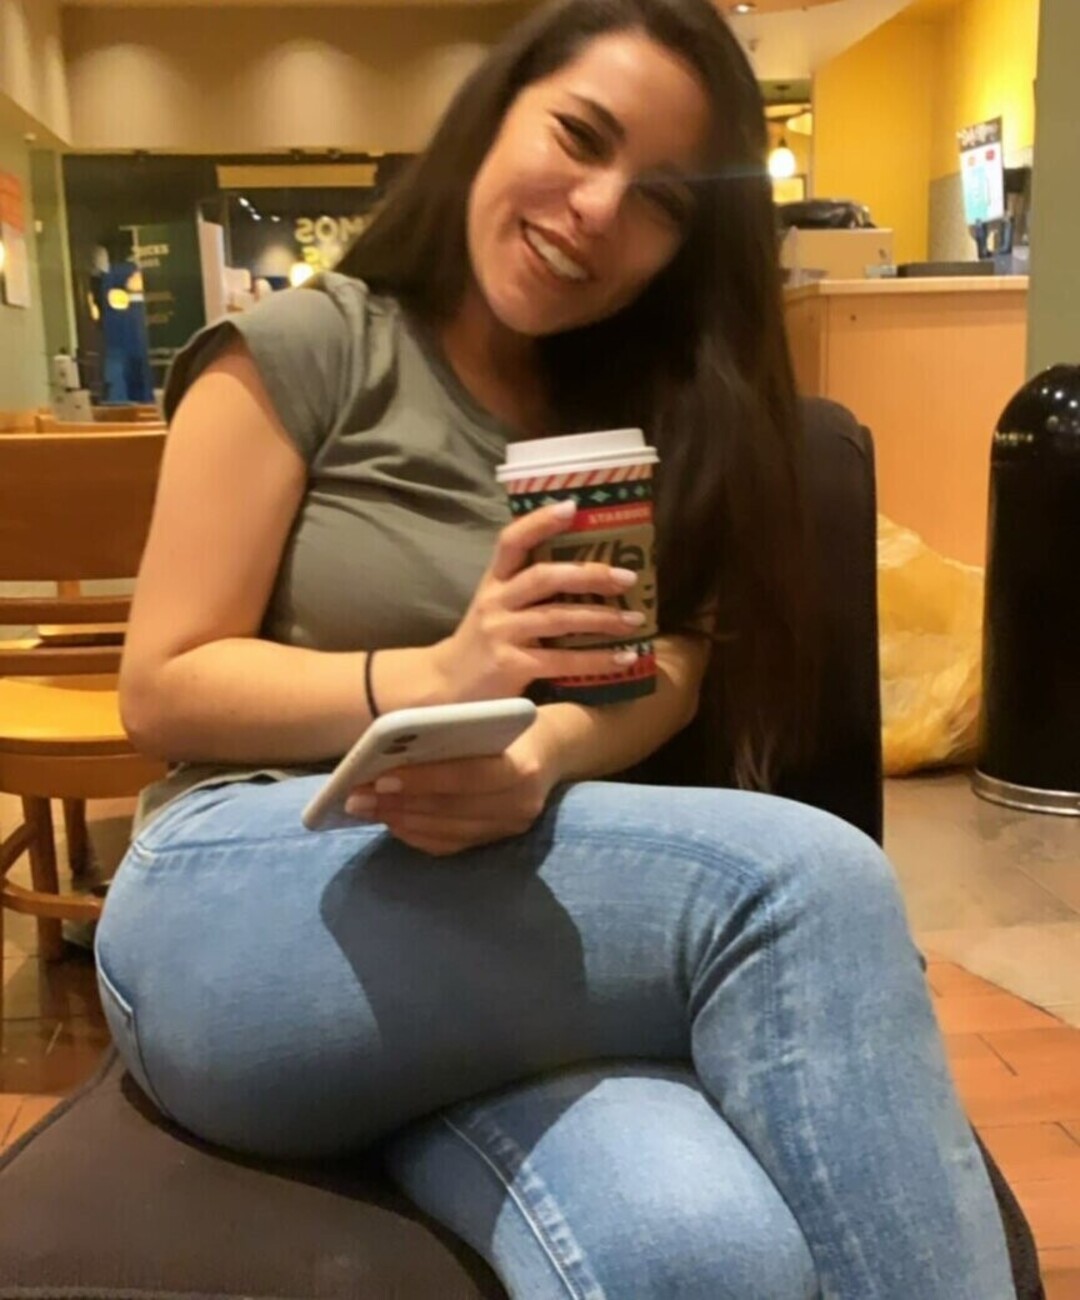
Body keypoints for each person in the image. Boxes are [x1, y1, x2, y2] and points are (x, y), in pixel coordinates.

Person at [95, 0, 1016, 1295]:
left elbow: (672, 669)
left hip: (498, 926)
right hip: (248, 879)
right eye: (579, 138)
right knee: (806, 886)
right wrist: (440, 673)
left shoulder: (653, 411)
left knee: (701, 1253)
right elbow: (161, 686)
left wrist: (542, 755)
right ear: (495, 114)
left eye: (658, 202)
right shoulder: (310, 349)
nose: (594, 210)